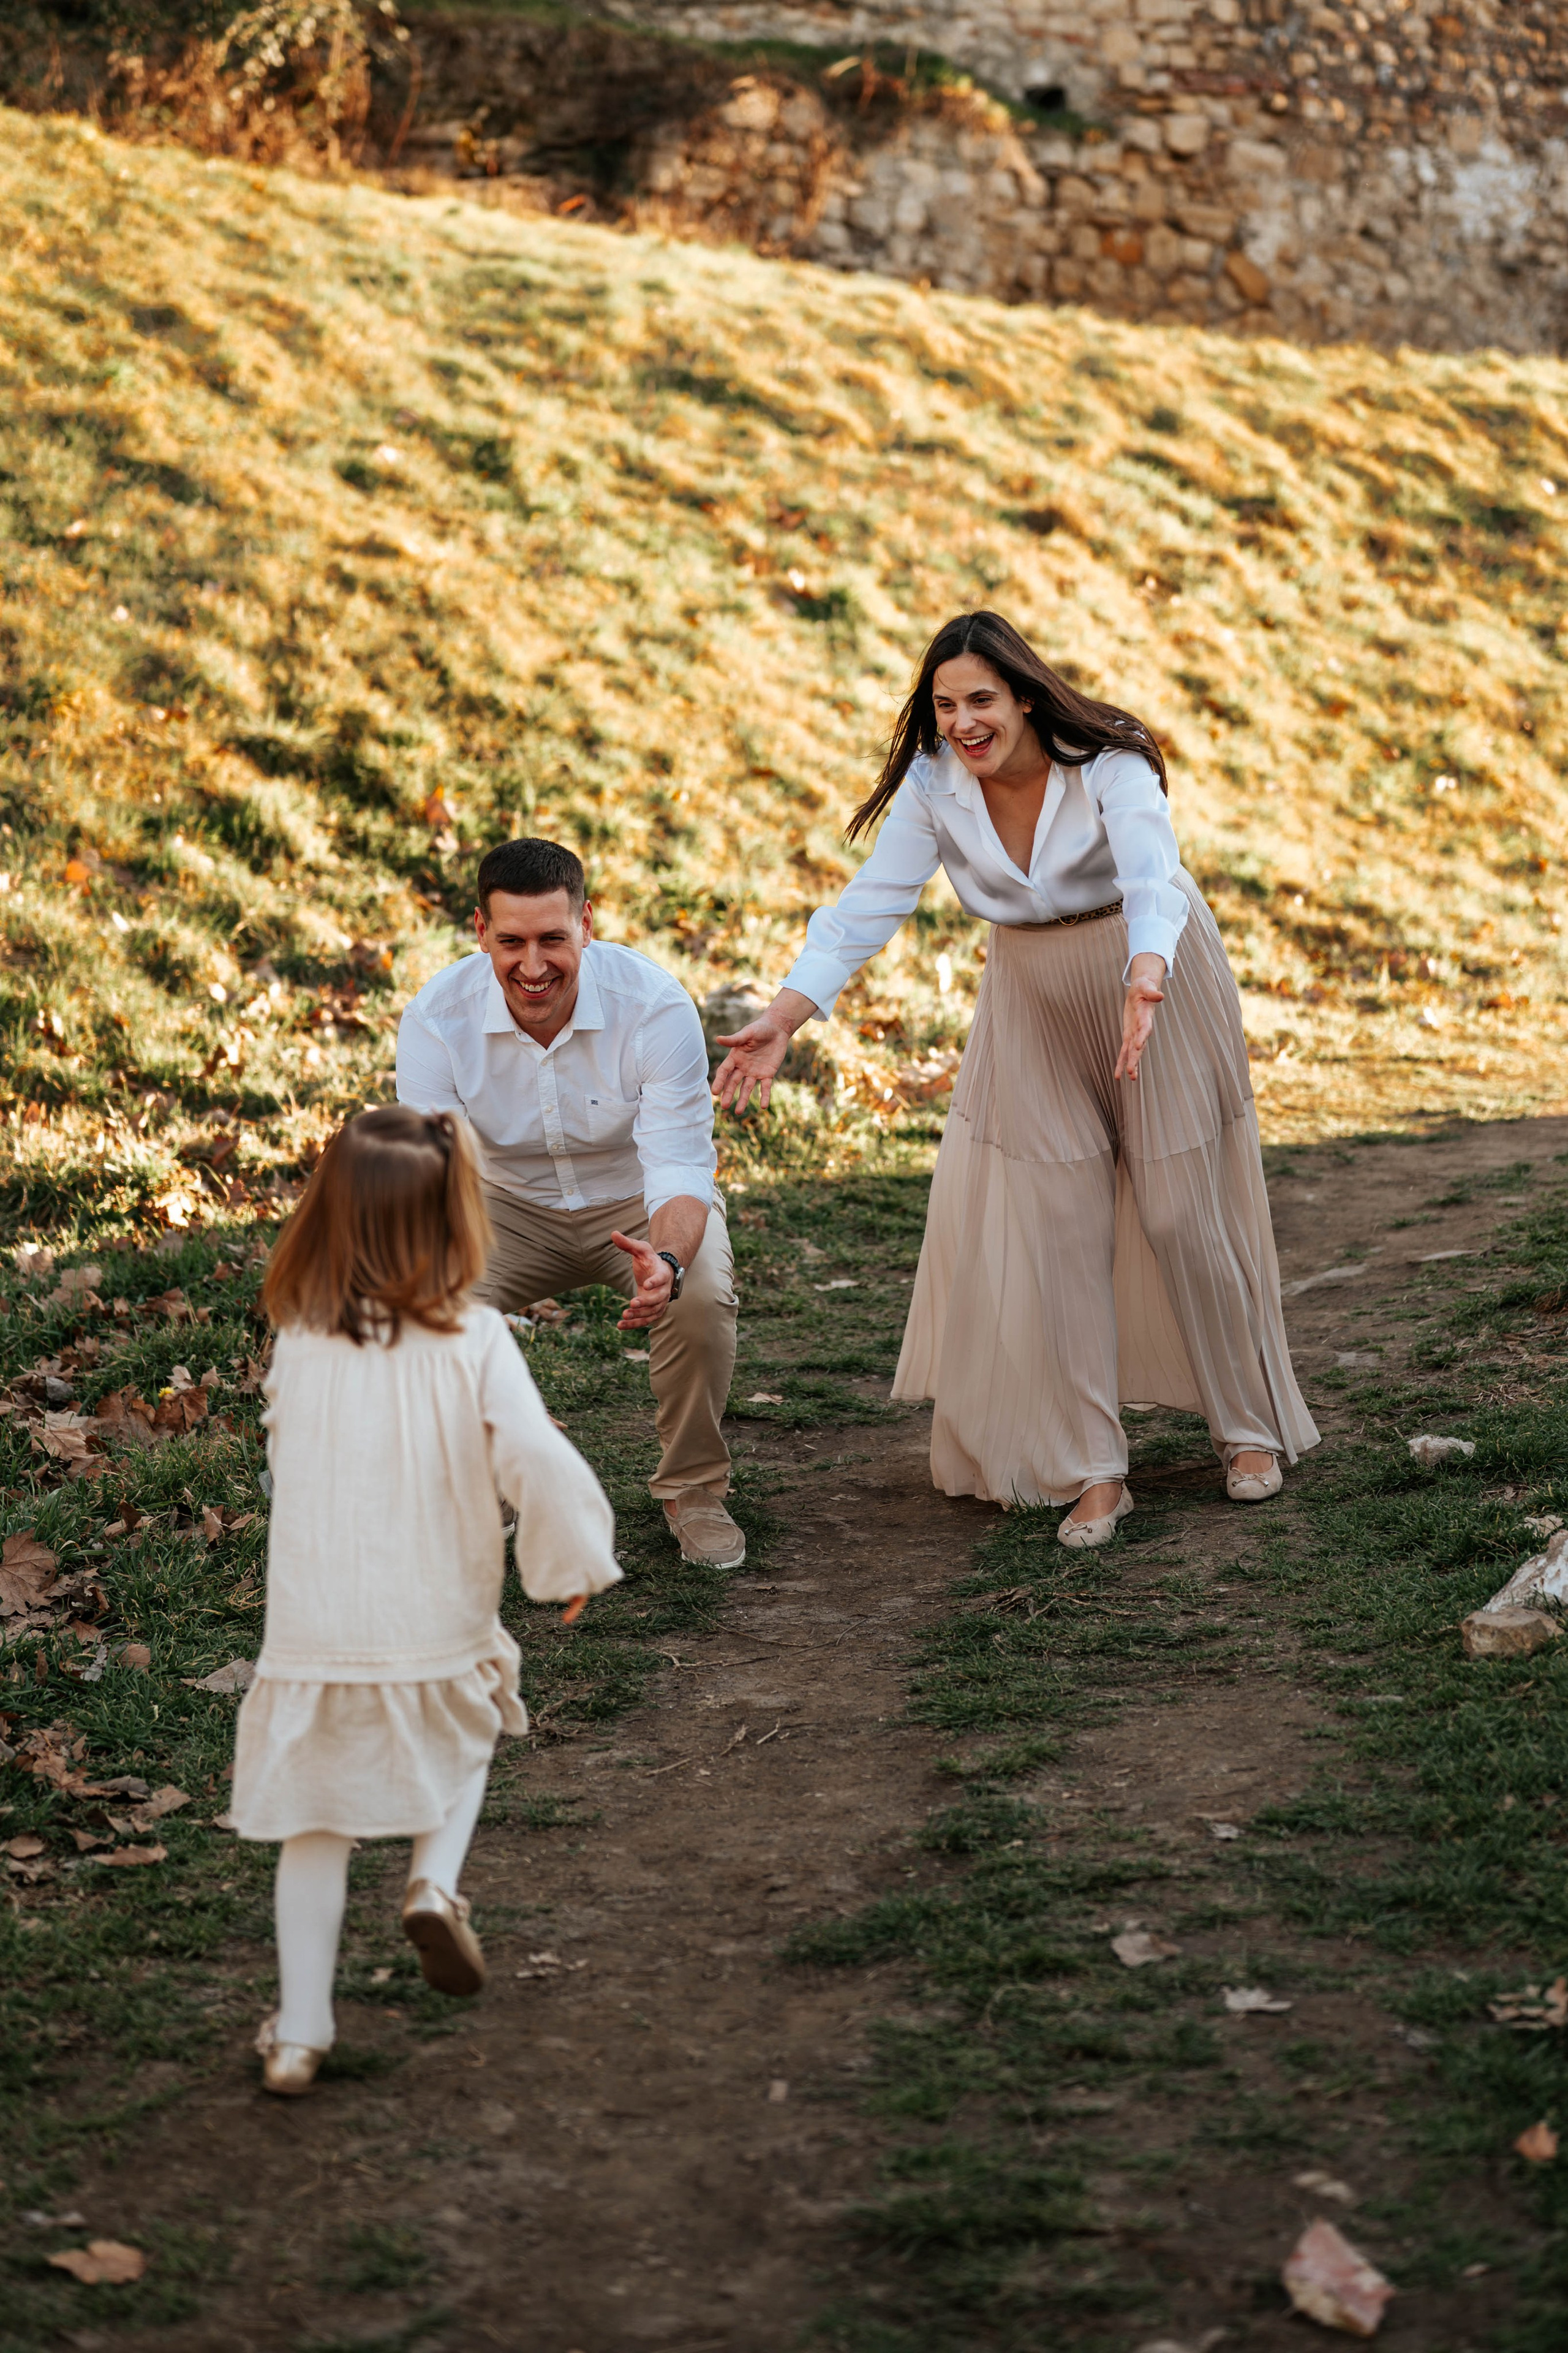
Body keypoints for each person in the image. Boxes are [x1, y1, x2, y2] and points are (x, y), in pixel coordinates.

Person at [712, 611, 1318, 1546]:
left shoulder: (1109, 762)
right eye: (945, 705)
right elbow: (869, 903)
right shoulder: (935, 786)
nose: (963, 722)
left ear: (1026, 697)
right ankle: (1095, 1468)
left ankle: (1247, 1430)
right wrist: (785, 1016)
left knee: (1176, 1213)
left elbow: (1153, 874)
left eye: (981, 700)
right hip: (1029, 993)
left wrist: (1146, 975)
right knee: (1058, 1226)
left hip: (1152, 974)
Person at [232, 1106, 622, 2096]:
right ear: (455, 1219)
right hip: (434, 1604)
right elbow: (532, 1454)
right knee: (472, 1723)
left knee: (314, 1828)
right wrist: (573, 1559)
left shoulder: (300, 1339)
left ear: (330, 1216)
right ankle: (434, 1882)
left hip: (318, 1619)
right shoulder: (474, 1337)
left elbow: (284, 1451)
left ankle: (299, 2035)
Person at [396, 837, 744, 1571]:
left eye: (553, 939)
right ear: (480, 932)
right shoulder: (435, 1019)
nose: (533, 965)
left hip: (636, 1201)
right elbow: (433, 1181)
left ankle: (694, 1490)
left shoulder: (654, 1008)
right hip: (502, 1206)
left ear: (587, 923)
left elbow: (679, 1164)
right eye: (511, 942)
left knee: (700, 1291)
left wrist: (670, 1258)